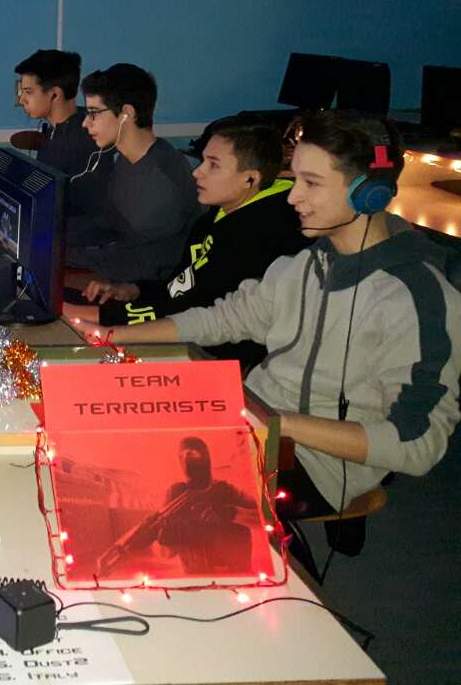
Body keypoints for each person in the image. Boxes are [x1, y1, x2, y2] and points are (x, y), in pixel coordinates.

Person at [92, 112, 461, 522]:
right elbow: (224, 319)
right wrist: (113, 335)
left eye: (311, 183)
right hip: (253, 424)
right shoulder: (305, 264)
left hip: (315, 466)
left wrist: (274, 421)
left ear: (368, 194)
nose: (292, 197)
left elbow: (417, 444)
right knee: (105, 441)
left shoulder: (417, 299)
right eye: (295, 178)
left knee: (134, 490)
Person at [65, 118, 308, 371]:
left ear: (250, 179)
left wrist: (103, 317)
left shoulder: (260, 234)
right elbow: (181, 286)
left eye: (213, 165)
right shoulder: (213, 217)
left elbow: (198, 310)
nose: (197, 172)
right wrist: (133, 290)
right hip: (167, 326)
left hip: (211, 356)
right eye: (203, 161)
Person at [65, 63, 201, 282]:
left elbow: (137, 261)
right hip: (123, 270)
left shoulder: (161, 179)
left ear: (127, 113)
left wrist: (60, 252)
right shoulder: (126, 160)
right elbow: (109, 222)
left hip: (148, 287)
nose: (85, 123)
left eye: (93, 113)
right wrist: (54, 232)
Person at [98, 436, 256, 576]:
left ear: (205, 456)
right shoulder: (177, 493)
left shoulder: (223, 490)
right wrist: (121, 546)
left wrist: (229, 513)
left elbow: (260, 516)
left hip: (232, 571)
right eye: (182, 455)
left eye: (192, 453)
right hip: (195, 573)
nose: (186, 458)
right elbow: (154, 527)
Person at [13, 49, 109, 218]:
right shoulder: (60, 127)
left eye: (28, 92)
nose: (22, 100)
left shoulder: (80, 142)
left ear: (55, 94)